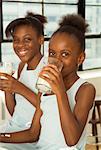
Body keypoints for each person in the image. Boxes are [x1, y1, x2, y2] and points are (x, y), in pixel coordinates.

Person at [0, 14, 95, 150]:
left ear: (80, 58)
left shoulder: (85, 89)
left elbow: (72, 140)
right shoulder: (44, 88)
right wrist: (2, 137)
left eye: (65, 54)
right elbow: (32, 134)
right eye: (52, 54)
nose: (57, 60)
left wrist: (60, 91)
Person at [0, 11, 47, 133]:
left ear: (41, 40)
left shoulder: (48, 67)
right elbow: (15, 112)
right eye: (16, 40)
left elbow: (50, 109)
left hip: (33, 135)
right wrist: (8, 90)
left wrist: (18, 87)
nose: (20, 45)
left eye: (27, 39)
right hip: (13, 128)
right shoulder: (22, 66)